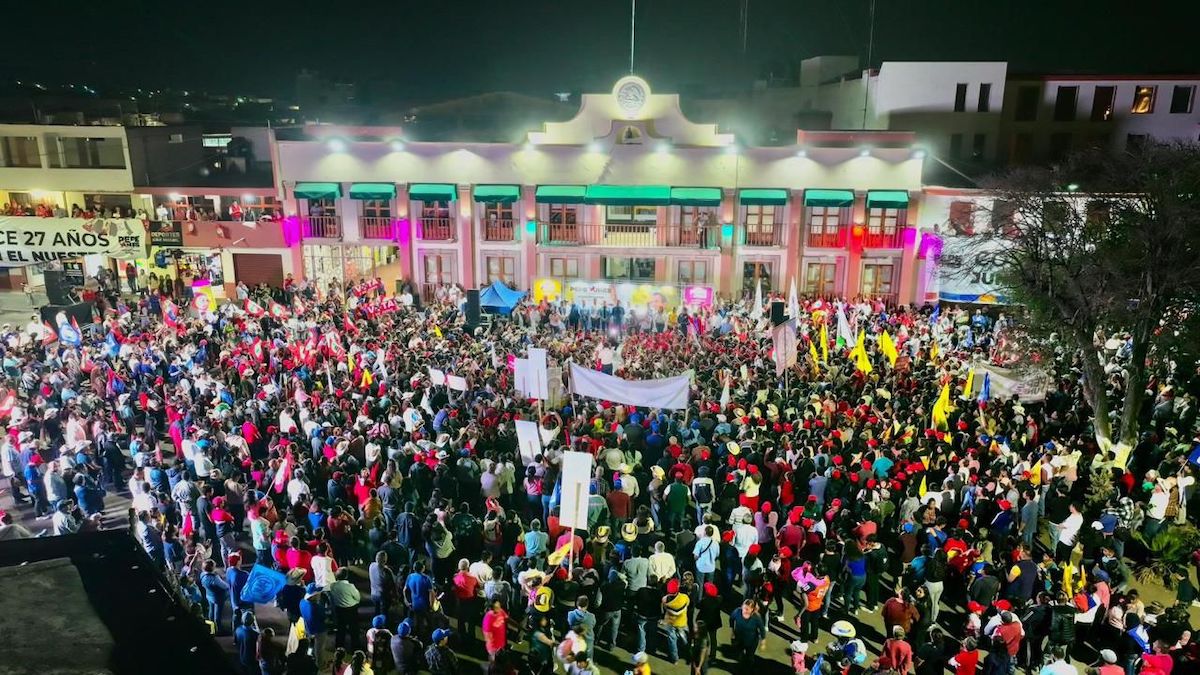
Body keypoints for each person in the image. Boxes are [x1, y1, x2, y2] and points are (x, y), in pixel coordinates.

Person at [729, 599, 767, 667]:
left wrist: (763, 642)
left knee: (750, 658)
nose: (745, 610)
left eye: (747, 609)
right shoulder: (737, 611)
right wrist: (732, 631)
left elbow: (762, 629)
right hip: (739, 639)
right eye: (744, 608)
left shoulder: (756, 617)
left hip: (752, 642)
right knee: (739, 654)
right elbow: (731, 619)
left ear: (752, 609)